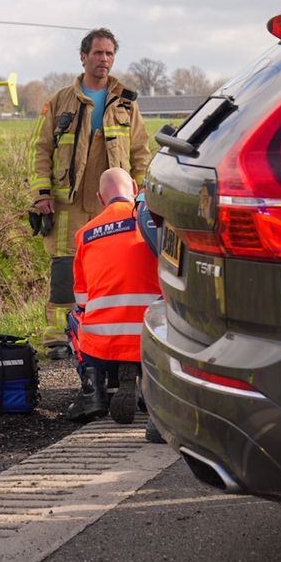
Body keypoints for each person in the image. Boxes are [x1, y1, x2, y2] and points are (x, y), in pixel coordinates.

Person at [28, 29, 150, 359]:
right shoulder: (58, 103)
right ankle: (58, 337)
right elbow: (40, 149)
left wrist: (143, 199)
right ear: (83, 57)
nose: (104, 59)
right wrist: (41, 193)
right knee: (65, 268)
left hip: (116, 202)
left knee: (117, 266)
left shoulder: (126, 103)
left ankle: (104, 337)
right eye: (98, 53)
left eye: (110, 54)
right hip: (69, 202)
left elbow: (140, 152)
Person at [65, 168, 161, 423]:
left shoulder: (86, 233)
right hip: (154, 336)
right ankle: (149, 388)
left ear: (99, 198)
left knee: (73, 317)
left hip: (104, 345)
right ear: (134, 187)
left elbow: (82, 301)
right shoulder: (155, 223)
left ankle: (93, 393)